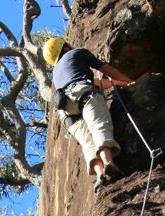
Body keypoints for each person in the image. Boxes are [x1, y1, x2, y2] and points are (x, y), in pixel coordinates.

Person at [43, 37, 134, 191]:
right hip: (83, 93)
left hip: (66, 111)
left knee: (87, 141)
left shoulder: (56, 73)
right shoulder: (77, 53)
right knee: (98, 124)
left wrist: (118, 84)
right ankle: (108, 163)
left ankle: (100, 174)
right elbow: (106, 70)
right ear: (65, 47)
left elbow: (94, 82)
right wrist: (128, 81)